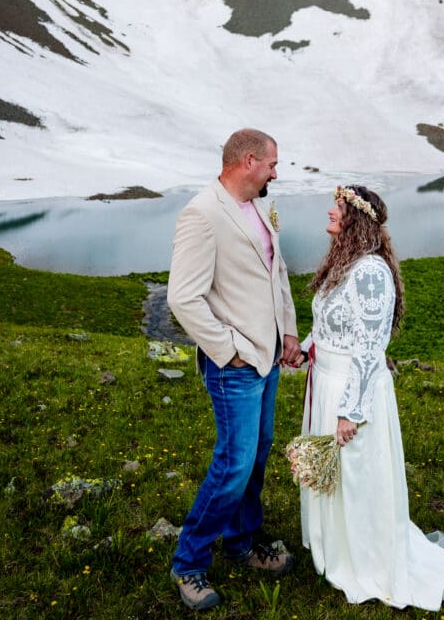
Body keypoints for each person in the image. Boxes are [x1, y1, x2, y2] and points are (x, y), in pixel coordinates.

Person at [298, 184, 444, 610]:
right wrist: (306, 347)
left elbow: (369, 347)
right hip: (325, 382)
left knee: (357, 477)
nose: (330, 211)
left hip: (351, 392)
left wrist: (351, 412)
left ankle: (367, 561)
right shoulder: (341, 265)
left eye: (338, 207)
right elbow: (334, 325)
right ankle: (337, 551)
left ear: (356, 219)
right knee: (336, 480)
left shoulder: (368, 272)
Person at [167, 128, 302, 611]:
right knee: (233, 463)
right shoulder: (203, 214)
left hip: (268, 357)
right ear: (248, 161)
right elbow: (182, 297)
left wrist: (288, 330)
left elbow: (276, 271)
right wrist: (229, 350)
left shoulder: (262, 208)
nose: (275, 172)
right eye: (272, 164)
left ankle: (242, 543)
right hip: (236, 365)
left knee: (258, 454)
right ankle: (189, 563)